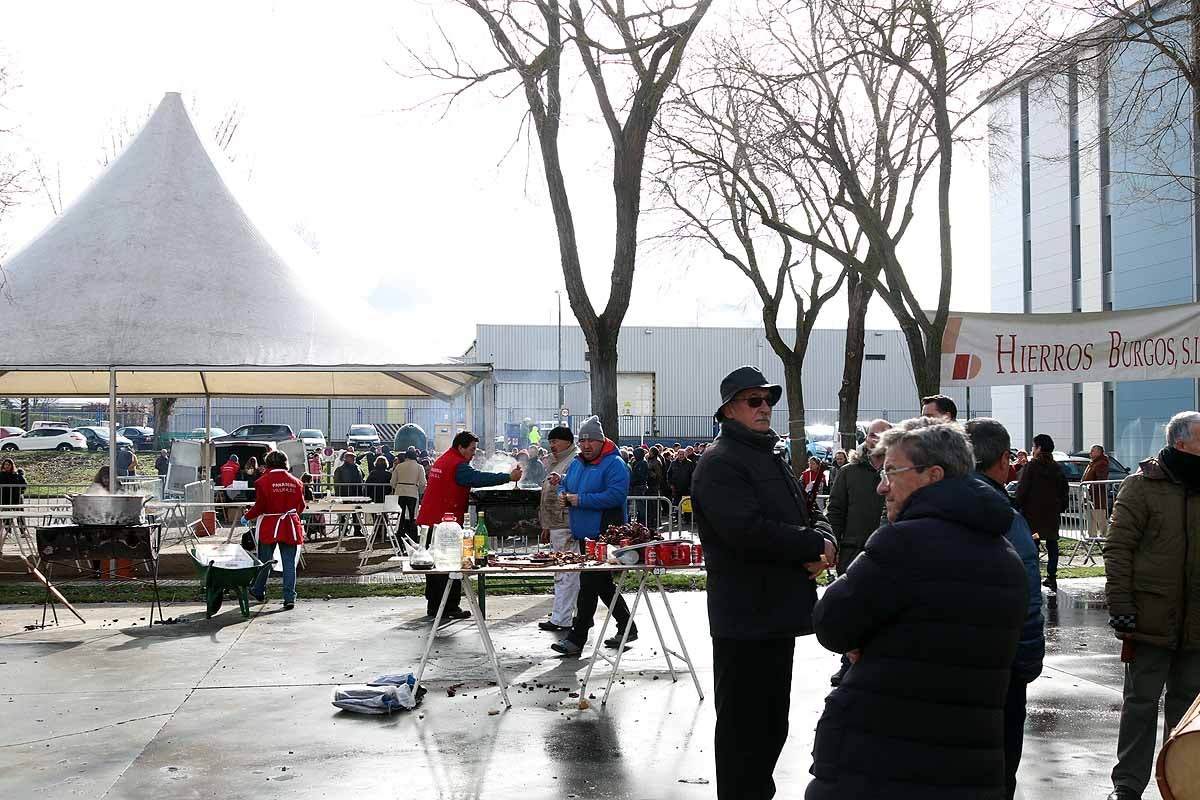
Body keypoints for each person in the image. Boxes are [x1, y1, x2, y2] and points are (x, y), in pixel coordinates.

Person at [806, 417, 1027, 800]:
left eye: (892, 471)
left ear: (932, 475)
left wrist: (866, 641)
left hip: (881, 764)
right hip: (969, 767)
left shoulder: (902, 544)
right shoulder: (1006, 557)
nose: (881, 486)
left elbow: (832, 623)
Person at [691, 366, 836, 800]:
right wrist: (811, 544)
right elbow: (747, 532)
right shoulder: (720, 462)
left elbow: (804, 510)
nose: (765, 407)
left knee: (772, 721)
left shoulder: (767, 453)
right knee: (743, 729)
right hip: (745, 615)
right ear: (728, 410)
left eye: (768, 399)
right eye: (753, 400)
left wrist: (824, 538)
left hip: (776, 611)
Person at [1103, 411, 1200, 800]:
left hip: (1196, 624)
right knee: (1140, 705)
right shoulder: (1142, 486)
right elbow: (1118, 548)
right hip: (1148, 619)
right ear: (1182, 443)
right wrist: (1120, 605)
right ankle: (1127, 785)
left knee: (1187, 711)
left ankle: (1178, 784)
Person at [966, 418, 1046, 800]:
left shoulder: (920, 507)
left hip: (944, 664)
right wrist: (1028, 661)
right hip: (1002, 664)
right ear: (1003, 461)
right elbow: (1028, 599)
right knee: (997, 766)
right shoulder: (1004, 516)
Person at [549, 416, 637, 656]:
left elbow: (616, 496)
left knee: (589, 584)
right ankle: (627, 626)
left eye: (591, 441)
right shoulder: (578, 463)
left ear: (601, 441)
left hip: (605, 534)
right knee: (602, 585)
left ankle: (577, 638)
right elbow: (569, 484)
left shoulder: (615, 463)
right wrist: (561, 488)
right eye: (582, 440)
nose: (586, 445)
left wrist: (581, 500)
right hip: (584, 535)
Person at [415, 431, 521, 620]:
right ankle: (449, 608)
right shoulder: (458, 465)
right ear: (461, 447)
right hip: (444, 524)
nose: (473, 453)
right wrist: (508, 477)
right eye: (472, 449)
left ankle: (434, 606)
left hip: (431, 520)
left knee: (435, 568)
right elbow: (478, 478)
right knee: (449, 564)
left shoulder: (444, 459)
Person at [824, 418, 890, 686]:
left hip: (886, 552)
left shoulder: (897, 470)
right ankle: (846, 663)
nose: (878, 440)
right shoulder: (850, 472)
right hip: (852, 551)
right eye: (874, 435)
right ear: (867, 438)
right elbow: (836, 510)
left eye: (884, 435)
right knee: (850, 612)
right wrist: (833, 543)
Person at [246, 450, 306, 610]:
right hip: (290, 525)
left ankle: (258, 590)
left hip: (270, 525)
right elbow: (301, 506)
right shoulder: (297, 482)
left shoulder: (262, 482)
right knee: (289, 564)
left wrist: (247, 516)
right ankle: (289, 597)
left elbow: (260, 506)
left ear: (268, 463)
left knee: (264, 561)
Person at [538, 426, 580, 632]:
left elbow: (568, 490)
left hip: (566, 524)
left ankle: (561, 619)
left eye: (555, 441)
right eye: (550, 442)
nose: (551, 446)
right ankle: (568, 615)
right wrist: (547, 524)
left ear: (567, 441)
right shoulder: (559, 461)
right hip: (557, 524)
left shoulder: (574, 460)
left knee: (565, 573)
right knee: (564, 573)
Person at [1015, 433, 1069, 593]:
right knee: (1052, 544)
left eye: (1033, 446)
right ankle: (1052, 576)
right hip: (1051, 515)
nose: (1032, 449)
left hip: (1033, 517)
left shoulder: (1032, 466)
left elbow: (1022, 489)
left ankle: (1034, 576)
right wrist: (1060, 507)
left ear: (1038, 448)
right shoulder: (1057, 468)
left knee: (1034, 543)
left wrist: (1018, 505)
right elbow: (1064, 491)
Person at [389, 452, 425, 537]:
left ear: (406, 457)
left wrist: (396, 487)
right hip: (412, 492)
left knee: (401, 515)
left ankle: (400, 535)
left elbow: (392, 481)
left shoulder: (399, 466)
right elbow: (423, 482)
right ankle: (413, 535)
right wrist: (420, 491)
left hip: (400, 491)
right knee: (413, 516)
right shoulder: (419, 467)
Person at [1081, 443, 1111, 537]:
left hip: (1097, 494)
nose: (1090, 453)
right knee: (1090, 515)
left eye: (1093, 451)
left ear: (1099, 452)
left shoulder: (1101, 463)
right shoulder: (1093, 462)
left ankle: (1105, 535)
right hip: (1090, 493)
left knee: (1100, 514)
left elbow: (1100, 479)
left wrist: (1092, 487)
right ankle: (1092, 535)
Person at [0, 458, 27, 539]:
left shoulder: (17, 474)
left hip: (16, 498)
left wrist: (20, 492)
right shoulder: (1, 475)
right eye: (5, 464)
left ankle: (23, 532)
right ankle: (8, 532)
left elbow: (24, 484)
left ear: (12, 465)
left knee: (20, 515)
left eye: (9, 464)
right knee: (7, 516)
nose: (7, 466)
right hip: (4, 498)